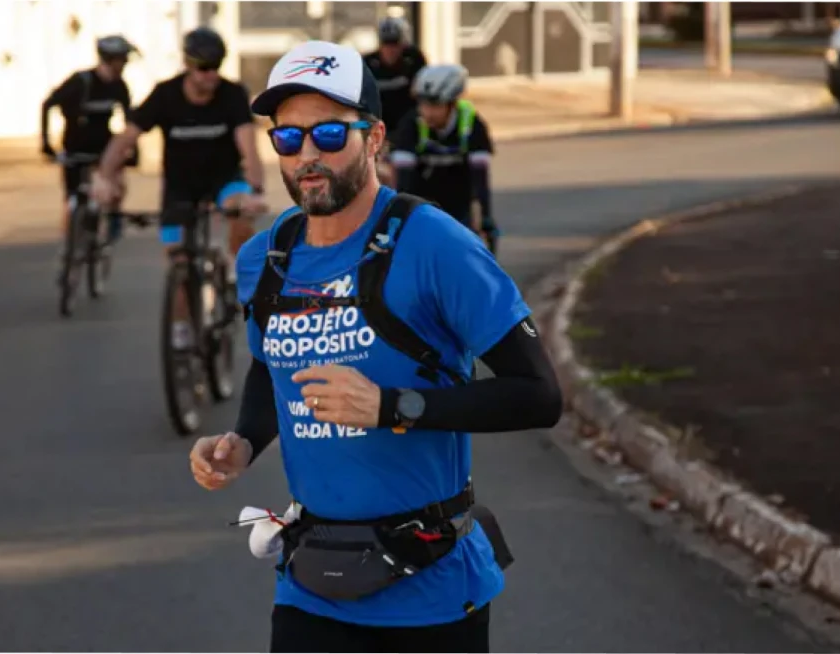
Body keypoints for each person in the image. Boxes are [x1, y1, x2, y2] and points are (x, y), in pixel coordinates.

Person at [187, 40, 562, 653]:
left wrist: (394, 407)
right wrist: (244, 442)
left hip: (432, 593)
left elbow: (539, 396)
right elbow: (269, 363)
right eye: (288, 138)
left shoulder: (438, 245)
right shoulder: (264, 258)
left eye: (330, 135)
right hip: (311, 583)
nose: (308, 155)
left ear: (376, 137)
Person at [93, 26, 266, 348]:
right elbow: (125, 139)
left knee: (239, 211)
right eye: (203, 68)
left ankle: (233, 272)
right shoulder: (165, 94)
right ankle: (183, 334)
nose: (211, 75)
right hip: (180, 187)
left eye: (217, 67)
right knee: (178, 264)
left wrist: (255, 190)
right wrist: (104, 176)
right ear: (187, 65)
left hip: (224, 180)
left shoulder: (232, 94)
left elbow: (249, 148)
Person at [41, 35, 139, 252]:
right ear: (110, 59)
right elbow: (48, 104)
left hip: (103, 146)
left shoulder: (119, 86)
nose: (125, 64)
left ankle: (112, 217)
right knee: (72, 199)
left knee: (116, 183)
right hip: (75, 146)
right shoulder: (81, 82)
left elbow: (130, 120)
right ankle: (69, 248)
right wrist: (46, 143)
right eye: (122, 60)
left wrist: (133, 151)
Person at [389, 64, 500, 255]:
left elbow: (480, 178)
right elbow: (403, 182)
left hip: (459, 201)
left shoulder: (472, 125)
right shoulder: (411, 124)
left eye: (434, 105)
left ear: (451, 103)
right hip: (422, 201)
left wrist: (486, 217)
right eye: (422, 104)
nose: (427, 112)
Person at [364, 17, 426, 189]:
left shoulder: (413, 59)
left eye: (395, 44)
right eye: (386, 44)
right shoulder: (369, 63)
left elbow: (421, 94)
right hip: (380, 125)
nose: (390, 50)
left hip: (408, 125)